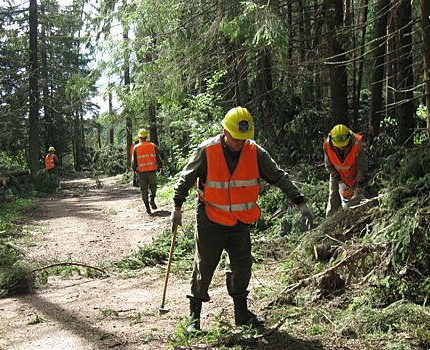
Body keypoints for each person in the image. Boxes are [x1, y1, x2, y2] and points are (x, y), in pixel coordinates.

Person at [170, 107, 313, 332]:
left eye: (244, 139)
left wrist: (300, 202)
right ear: (224, 131)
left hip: (240, 222)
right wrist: (177, 207)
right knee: (204, 266)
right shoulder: (207, 151)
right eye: (236, 139)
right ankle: (194, 319)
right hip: (211, 218)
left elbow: (278, 176)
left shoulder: (255, 152)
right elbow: (186, 178)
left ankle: (242, 314)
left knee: (242, 266)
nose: (239, 143)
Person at [324, 124, 367, 217]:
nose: (341, 148)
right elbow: (329, 166)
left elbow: (362, 166)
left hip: (354, 175)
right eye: (339, 146)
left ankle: (355, 219)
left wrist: (359, 184)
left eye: (344, 146)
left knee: (357, 201)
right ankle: (328, 224)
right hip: (337, 175)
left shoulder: (356, 144)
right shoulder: (328, 145)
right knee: (333, 200)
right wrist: (339, 181)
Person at [132, 129, 162, 214]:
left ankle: (147, 208)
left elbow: (134, 162)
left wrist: (134, 169)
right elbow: (158, 157)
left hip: (141, 172)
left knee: (144, 189)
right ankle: (152, 199)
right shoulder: (152, 145)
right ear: (146, 137)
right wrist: (160, 166)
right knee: (153, 186)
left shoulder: (136, 147)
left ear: (139, 137)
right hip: (152, 170)